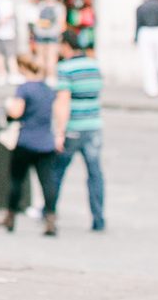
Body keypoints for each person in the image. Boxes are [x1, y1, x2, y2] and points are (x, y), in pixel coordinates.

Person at [0, 52, 67, 235]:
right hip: (46, 142)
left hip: (26, 141)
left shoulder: (24, 89)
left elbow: (17, 112)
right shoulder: (48, 88)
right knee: (47, 183)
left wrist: (9, 107)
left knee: (17, 180)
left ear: (22, 67)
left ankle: (10, 217)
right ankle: (50, 218)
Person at [53, 35, 106, 231]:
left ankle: (49, 210)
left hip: (74, 127)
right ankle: (98, 217)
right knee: (95, 174)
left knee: (57, 171)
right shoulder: (94, 66)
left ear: (66, 46)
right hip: (94, 125)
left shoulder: (65, 69)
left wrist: (60, 131)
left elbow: (63, 101)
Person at [33, 0, 66, 83]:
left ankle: (39, 75)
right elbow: (61, 22)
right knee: (51, 56)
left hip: (40, 33)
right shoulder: (59, 7)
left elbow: (35, 19)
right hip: (53, 34)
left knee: (40, 56)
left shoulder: (41, 4)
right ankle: (50, 77)